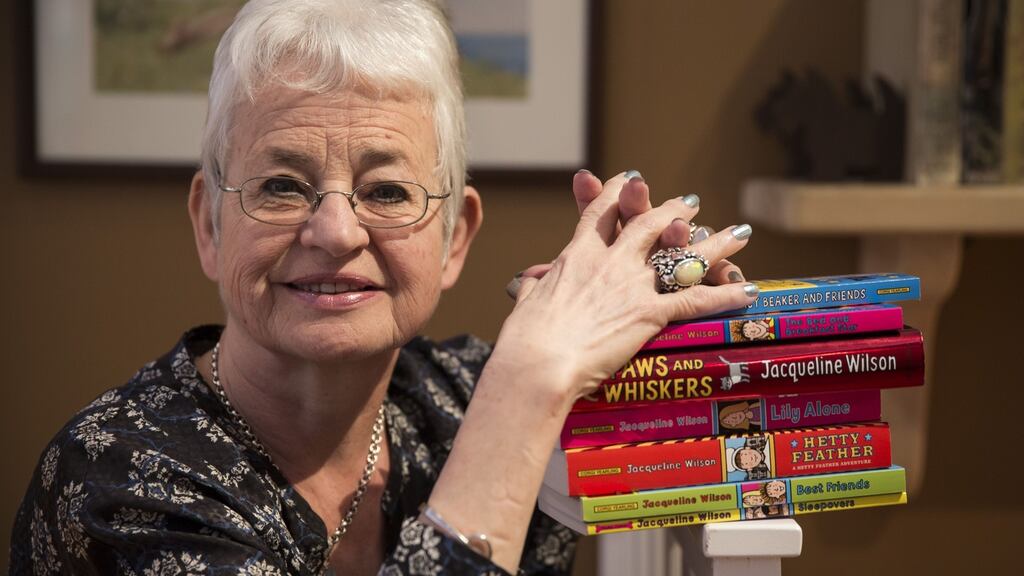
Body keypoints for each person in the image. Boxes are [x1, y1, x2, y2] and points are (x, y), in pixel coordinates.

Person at [10, 1, 758, 574]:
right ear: (210, 223)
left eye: (389, 192)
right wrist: (529, 382)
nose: (336, 232)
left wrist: (691, 324)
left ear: (455, 236)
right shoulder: (113, 479)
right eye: (280, 185)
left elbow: (740, 443)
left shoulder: (463, 393)